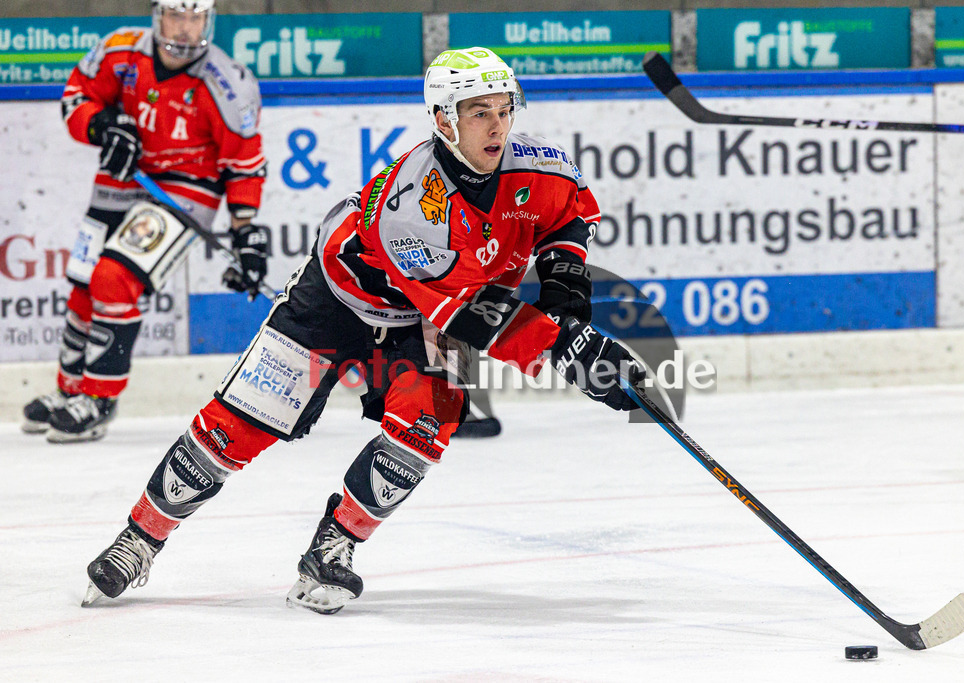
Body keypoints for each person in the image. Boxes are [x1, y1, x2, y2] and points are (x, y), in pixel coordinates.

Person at [80, 47, 646, 614]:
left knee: (428, 423)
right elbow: (468, 312)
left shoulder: (541, 168)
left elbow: (566, 218)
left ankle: (334, 546)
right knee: (238, 427)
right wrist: (565, 351)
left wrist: (569, 312)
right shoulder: (412, 204)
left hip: (421, 317)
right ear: (444, 119)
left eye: (504, 109)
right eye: (479, 112)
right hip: (335, 300)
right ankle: (138, 539)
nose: (497, 126)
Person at [21, 0, 269, 444]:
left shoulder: (227, 81)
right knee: (83, 284)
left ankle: (99, 399)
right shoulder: (121, 51)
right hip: (121, 178)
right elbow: (77, 96)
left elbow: (244, 163)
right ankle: (69, 390)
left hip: (183, 192)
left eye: (197, 17)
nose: (188, 28)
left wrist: (245, 230)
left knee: (114, 278)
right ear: (158, 16)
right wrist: (103, 125)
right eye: (178, 15)